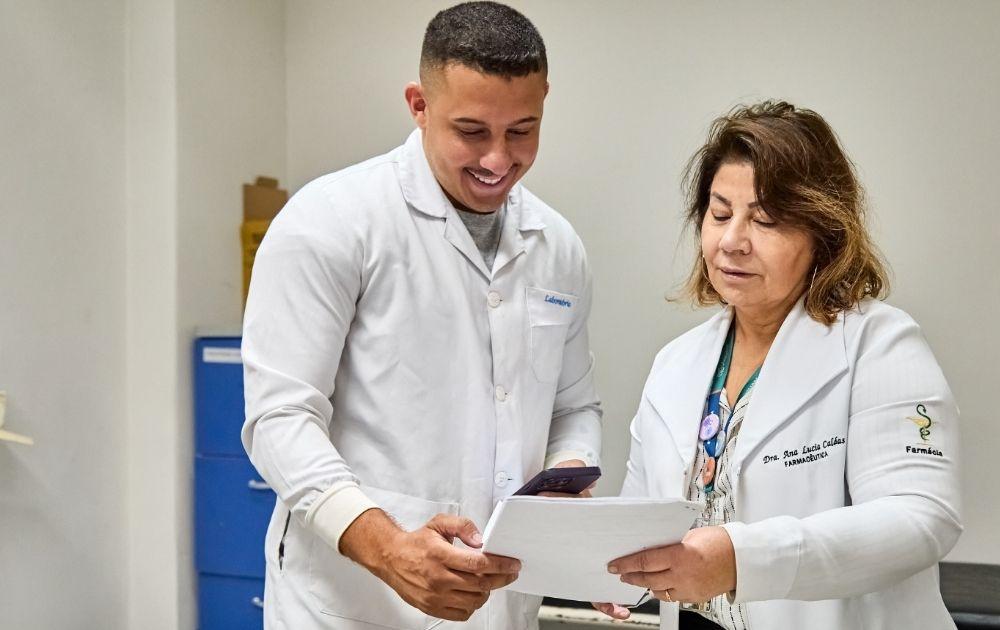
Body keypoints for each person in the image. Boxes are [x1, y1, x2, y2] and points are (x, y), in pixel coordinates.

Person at [241, 3, 602, 629]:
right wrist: (388, 549)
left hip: (499, 605)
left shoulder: (557, 245)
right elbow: (280, 418)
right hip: (351, 605)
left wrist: (567, 475)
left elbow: (573, 407)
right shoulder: (331, 220)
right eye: (471, 130)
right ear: (419, 104)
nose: (497, 159)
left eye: (522, 130)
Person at [596, 101, 962, 629]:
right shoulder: (676, 365)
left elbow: (921, 519)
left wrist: (742, 559)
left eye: (765, 220)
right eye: (720, 214)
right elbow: (641, 519)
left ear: (823, 233)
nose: (731, 242)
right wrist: (599, 562)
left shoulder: (880, 346)